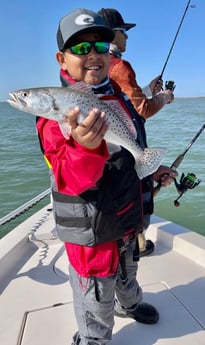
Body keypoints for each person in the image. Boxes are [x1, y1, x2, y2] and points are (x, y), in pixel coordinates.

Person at [36, 8, 176, 344]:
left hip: (127, 217)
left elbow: (130, 148)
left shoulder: (117, 97)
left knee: (129, 271)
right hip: (93, 236)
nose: (93, 54)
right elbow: (67, 176)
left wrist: (153, 170)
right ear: (62, 58)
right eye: (81, 49)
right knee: (96, 300)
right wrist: (84, 147)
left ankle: (129, 304)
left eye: (100, 44)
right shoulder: (53, 116)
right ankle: (92, 339)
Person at [98, 8, 175, 256]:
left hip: (111, 153)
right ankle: (136, 246)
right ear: (112, 34)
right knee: (138, 201)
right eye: (124, 32)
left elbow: (122, 103)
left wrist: (147, 89)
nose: (127, 38)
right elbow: (142, 109)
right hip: (129, 153)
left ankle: (128, 245)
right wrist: (163, 98)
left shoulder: (99, 66)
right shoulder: (120, 66)